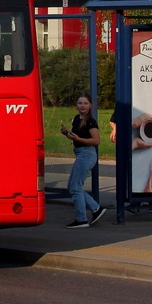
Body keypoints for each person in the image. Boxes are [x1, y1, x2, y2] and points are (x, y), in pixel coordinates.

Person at [61, 91, 107, 228]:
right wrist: (66, 133)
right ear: (76, 105)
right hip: (80, 153)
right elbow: (76, 137)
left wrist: (78, 139)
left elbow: (96, 140)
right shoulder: (77, 119)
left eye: (85, 103)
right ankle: (96, 209)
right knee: (73, 187)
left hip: (87, 154)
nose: (82, 106)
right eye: (80, 103)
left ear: (90, 105)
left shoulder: (90, 121)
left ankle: (81, 219)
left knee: (75, 187)